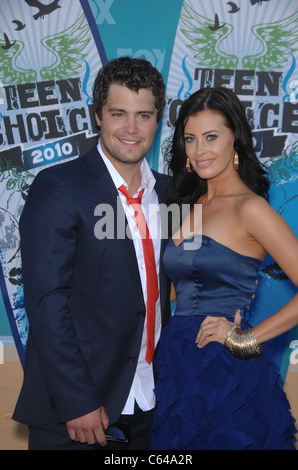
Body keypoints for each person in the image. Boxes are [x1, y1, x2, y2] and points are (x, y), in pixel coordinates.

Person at [13, 56, 172, 450]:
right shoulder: (60, 186)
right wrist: (77, 400)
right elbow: (47, 301)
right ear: (97, 116)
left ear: (158, 119)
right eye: (118, 113)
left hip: (155, 402)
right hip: (81, 412)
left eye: (144, 115)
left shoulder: (171, 194)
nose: (132, 129)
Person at [149, 86, 298, 450]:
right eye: (190, 139)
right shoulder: (186, 203)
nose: (200, 150)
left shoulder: (251, 208)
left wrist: (247, 338)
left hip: (225, 368)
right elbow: (175, 288)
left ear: (236, 139)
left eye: (211, 137)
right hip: (175, 359)